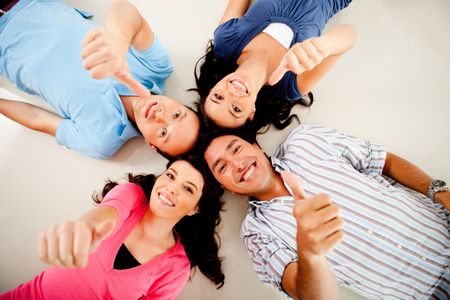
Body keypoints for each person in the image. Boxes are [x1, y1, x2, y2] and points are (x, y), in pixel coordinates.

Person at [202, 125, 450, 299]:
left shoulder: (304, 141)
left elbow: (385, 161)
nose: (237, 164)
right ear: (226, 188)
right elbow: (313, 297)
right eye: (222, 167)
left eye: (236, 149)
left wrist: (441, 193)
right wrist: (310, 253)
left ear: (255, 145)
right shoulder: (256, 233)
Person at [0, 155, 225, 299]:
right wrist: (83, 227)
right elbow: (104, 215)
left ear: (195, 209)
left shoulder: (175, 268)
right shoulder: (132, 196)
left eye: (188, 189)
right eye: (170, 176)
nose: (171, 188)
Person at [0, 0, 200, 159]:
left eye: (163, 133)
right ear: (179, 103)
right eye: (176, 114)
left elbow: (37, 118)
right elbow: (124, 9)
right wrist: (118, 41)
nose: (160, 116)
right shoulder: (157, 67)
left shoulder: (101, 141)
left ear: (151, 145)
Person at [193, 0, 355, 132]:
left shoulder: (226, 41)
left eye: (218, 97)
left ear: (213, 88)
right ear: (251, 112)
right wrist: (323, 46)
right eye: (236, 109)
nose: (232, 94)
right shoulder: (291, 84)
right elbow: (350, 33)